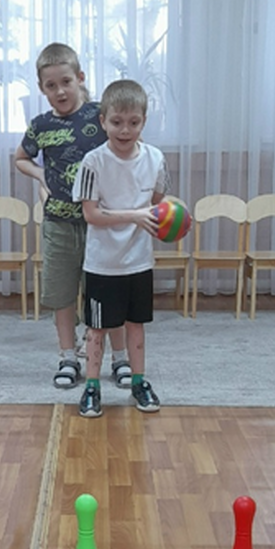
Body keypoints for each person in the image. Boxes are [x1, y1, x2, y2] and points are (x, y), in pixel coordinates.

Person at [15, 44, 130, 390]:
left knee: (107, 292)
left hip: (101, 224)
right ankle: (68, 357)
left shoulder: (100, 115)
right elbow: (21, 158)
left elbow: (124, 146)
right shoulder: (41, 125)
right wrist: (41, 178)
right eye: (51, 86)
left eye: (66, 82)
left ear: (79, 78)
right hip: (59, 225)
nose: (60, 91)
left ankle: (120, 358)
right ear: (42, 89)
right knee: (62, 294)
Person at [72, 79, 166, 418]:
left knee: (135, 325)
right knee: (96, 328)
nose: (125, 130)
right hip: (102, 264)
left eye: (133, 122)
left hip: (138, 262)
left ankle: (139, 382)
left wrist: (168, 221)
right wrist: (136, 215)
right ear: (103, 121)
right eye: (116, 122)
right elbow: (91, 214)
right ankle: (92, 387)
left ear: (143, 121)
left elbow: (159, 203)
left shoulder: (156, 159)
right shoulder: (92, 162)